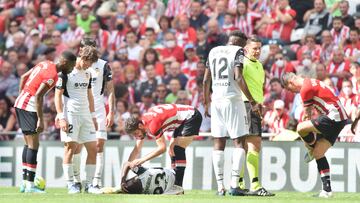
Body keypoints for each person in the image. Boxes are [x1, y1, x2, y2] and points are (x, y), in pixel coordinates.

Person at [15, 51, 76, 193]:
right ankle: (30, 185)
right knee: (33, 146)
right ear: (65, 63)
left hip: (21, 102)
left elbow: (24, 77)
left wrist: (21, 95)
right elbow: (38, 96)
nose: (72, 69)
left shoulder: (45, 63)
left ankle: (25, 183)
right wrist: (41, 121)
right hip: (29, 106)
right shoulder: (52, 75)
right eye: (72, 66)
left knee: (28, 144)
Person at [203, 30, 255, 196]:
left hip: (216, 100)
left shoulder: (213, 51)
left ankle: (220, 187)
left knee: (218, 142)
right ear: (241, 43)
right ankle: (234, 185)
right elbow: (238, 77)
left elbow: (205, 80)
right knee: (239, 142)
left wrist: (206, 102)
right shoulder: (238, 51)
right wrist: (252, 101)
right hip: (232, 100)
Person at [281, 72, 348, 198]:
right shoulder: (310, 81)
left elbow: (307, 115)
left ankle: (310, 149)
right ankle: (327, 191)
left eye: (290, 89)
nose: (292, 92)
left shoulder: (305, 89)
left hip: (333, 116)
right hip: (340, 119)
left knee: (300, 128)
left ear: (290, 83)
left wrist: (307, 141)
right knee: (319, 153)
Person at [54, 46, 101, 194]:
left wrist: (93, 116)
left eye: (92, 63)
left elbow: (89, 96)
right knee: (70, 148)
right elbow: (57, 96)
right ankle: (71, 184)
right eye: (88, 62)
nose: (89, 65)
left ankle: (88, 185)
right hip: (71, 114)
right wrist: (61, 117)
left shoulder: (88, 73)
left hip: (86, 115)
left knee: (93, 148)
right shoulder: (66, 72)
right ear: (83, 57)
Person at [71, 38, 115, 189]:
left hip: (98, 107)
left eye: (91, 47)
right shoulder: (73, 65)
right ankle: (77, 180)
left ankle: (95, 181)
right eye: (85, 47)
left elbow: (110, 89)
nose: (88, 50)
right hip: (79, 108)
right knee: (76, 145)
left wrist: (111, 112)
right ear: (81, 49)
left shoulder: (103, 65)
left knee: (98, 144)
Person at [124, 104, 202, 188]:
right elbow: (136, 150)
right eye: (134, 135)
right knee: (172, 151)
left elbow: (162, 148)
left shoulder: (152, 125)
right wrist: (124, 175)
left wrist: (142, 160)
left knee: (178, 149)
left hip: (191, 116)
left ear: (140, 126)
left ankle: (177, 187)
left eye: (136, 133)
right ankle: (174, 184)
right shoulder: (143, 123)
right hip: (183, 118)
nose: (136, 136)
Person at [238, 36, 274, 196]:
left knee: (244, 146)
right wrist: (252, 103)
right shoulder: (242, 64)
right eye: (254, 48)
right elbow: (238, 81)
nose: (258, 51)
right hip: (246, 105)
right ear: (246, 49)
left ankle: (238, 183)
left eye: (259, 48)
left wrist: (259, 103)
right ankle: (255, 185)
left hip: (253, 106)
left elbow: (256, 86)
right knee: (254, 145)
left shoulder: (259, 65)